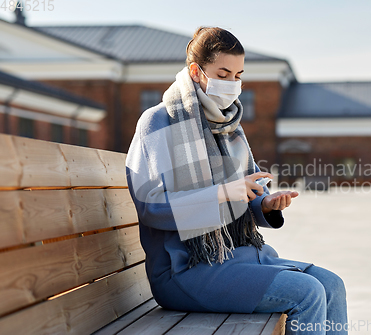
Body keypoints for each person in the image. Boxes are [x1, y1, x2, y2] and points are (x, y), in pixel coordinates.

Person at [125, 26, 348, 335]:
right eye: (223, 73)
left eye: (238, 75)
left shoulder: (230, 127)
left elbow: (249, 194)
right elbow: (151, 208)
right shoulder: (158, 122)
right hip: (186, 270)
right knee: (307, 293)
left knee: (332, 285)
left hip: (239, 257)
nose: (232, 84)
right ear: (196, 71)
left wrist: (266, 204)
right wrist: (221, 192)